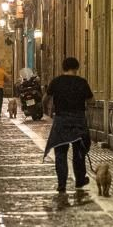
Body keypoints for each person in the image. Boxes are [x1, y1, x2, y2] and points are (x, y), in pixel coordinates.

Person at [42, 56, 94, 194]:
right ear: (76, 68)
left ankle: (62, 184)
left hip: (61, 120)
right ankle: (80, 179)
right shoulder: (82, 82)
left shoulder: (56, 82)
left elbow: (45, 99)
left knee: (60, 152)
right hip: (78, 120)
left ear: (63, 67)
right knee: (79, 151)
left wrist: (49, 109)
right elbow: (91, 100)